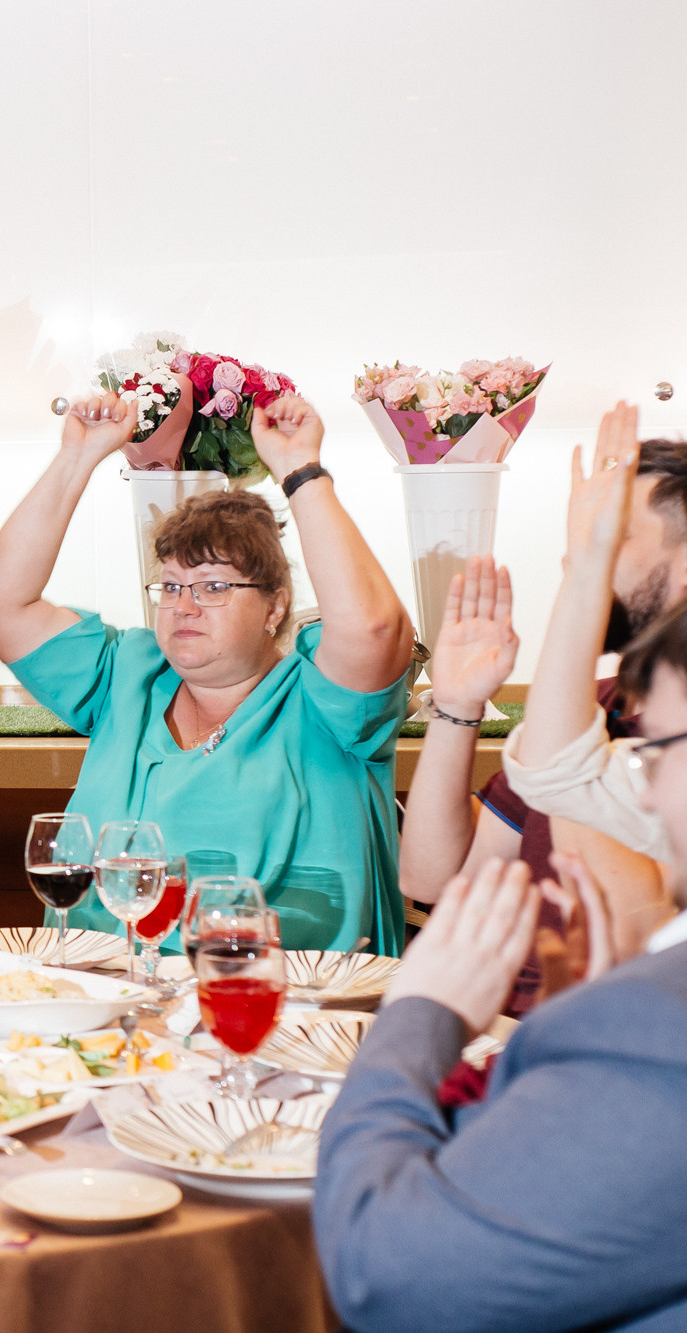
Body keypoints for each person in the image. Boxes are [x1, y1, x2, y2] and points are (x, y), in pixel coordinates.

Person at [311, 601, 687, 1333]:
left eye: (660, 753)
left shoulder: (652, 1025)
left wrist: (419, 1013)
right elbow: (431, 876)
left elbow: (385, 1277)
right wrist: (458, 707)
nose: (644, 788)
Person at [0, 393, 414, 953]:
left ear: (275, 607)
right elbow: (0, 605)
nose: (183, 606)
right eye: (172, 586)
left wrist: (301, 472)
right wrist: (77, 457)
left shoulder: (325, 702)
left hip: (281, 994)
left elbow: (373, 628)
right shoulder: (128, 675)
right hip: (102, 990)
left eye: (214, 586)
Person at [400, 550, 674, 1012]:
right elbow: (430, 878)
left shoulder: (641, 735)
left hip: (595, 1028)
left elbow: (630, 940)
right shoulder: (593, 706)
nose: (573, 557)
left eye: (617, 535)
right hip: (498, 1022)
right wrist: (457, 704)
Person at [500, 403, 687, 878]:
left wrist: (586, 571)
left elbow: (556, 774)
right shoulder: (615, 705)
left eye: (613, 535)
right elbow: (555, 775)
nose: (581, 551)